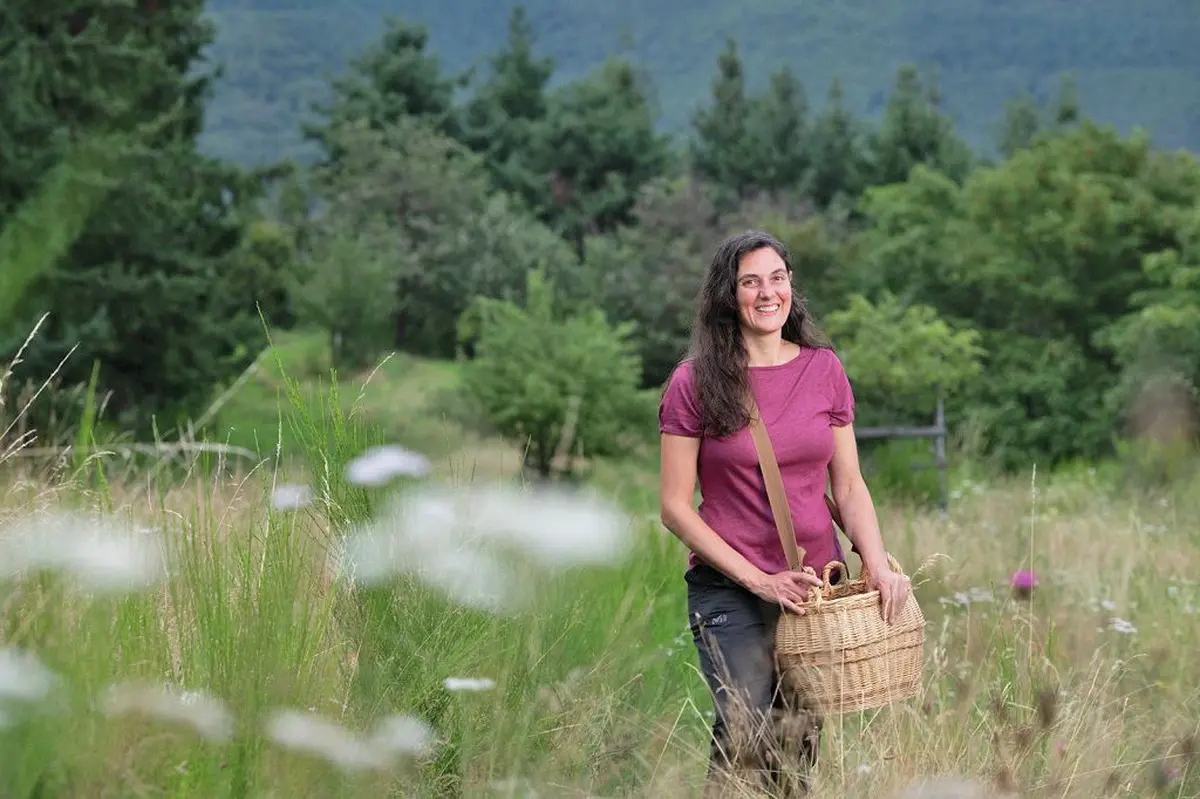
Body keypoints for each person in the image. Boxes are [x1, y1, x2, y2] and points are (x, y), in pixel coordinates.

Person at [657, 230, 910, 793]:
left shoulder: (824, 370)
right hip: (730, 589)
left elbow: (848, 486)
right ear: (729, 295)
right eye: (750, 282)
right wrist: (759, 580)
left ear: (791, 284)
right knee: (745, 727)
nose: (766, 293)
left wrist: (879, 565)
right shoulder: (694, 382)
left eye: (777, 278)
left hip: (815, 593)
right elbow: (675, 507)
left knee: (796, 748)